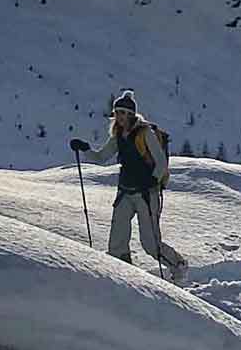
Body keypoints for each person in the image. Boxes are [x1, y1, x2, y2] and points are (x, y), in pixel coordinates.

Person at [69, 90, 189, 281]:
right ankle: (124, 276)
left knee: (150, 244)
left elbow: (161, 163)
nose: (120, 116)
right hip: (125, 191)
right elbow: (102, 157)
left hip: (146, 194)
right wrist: (85, 149)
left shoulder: (145, 133)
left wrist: (153, 180)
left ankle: (178, 265)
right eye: (118, 112)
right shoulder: (118, 135)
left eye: (124, 112)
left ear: (132, 114)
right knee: (116, 243)